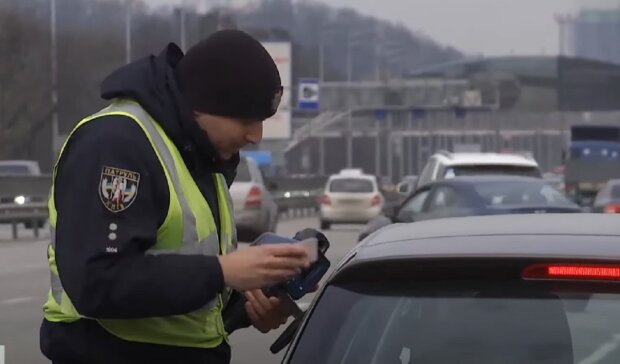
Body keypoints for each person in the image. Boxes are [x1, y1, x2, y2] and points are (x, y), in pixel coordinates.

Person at [39, 30, 312, 364]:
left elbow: (178, 286)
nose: (256, 136)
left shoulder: (199, 152)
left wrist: (247, 301)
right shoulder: (116, 145)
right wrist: (222, 272)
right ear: (203, 104)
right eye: (246, 120)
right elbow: (98, 281)